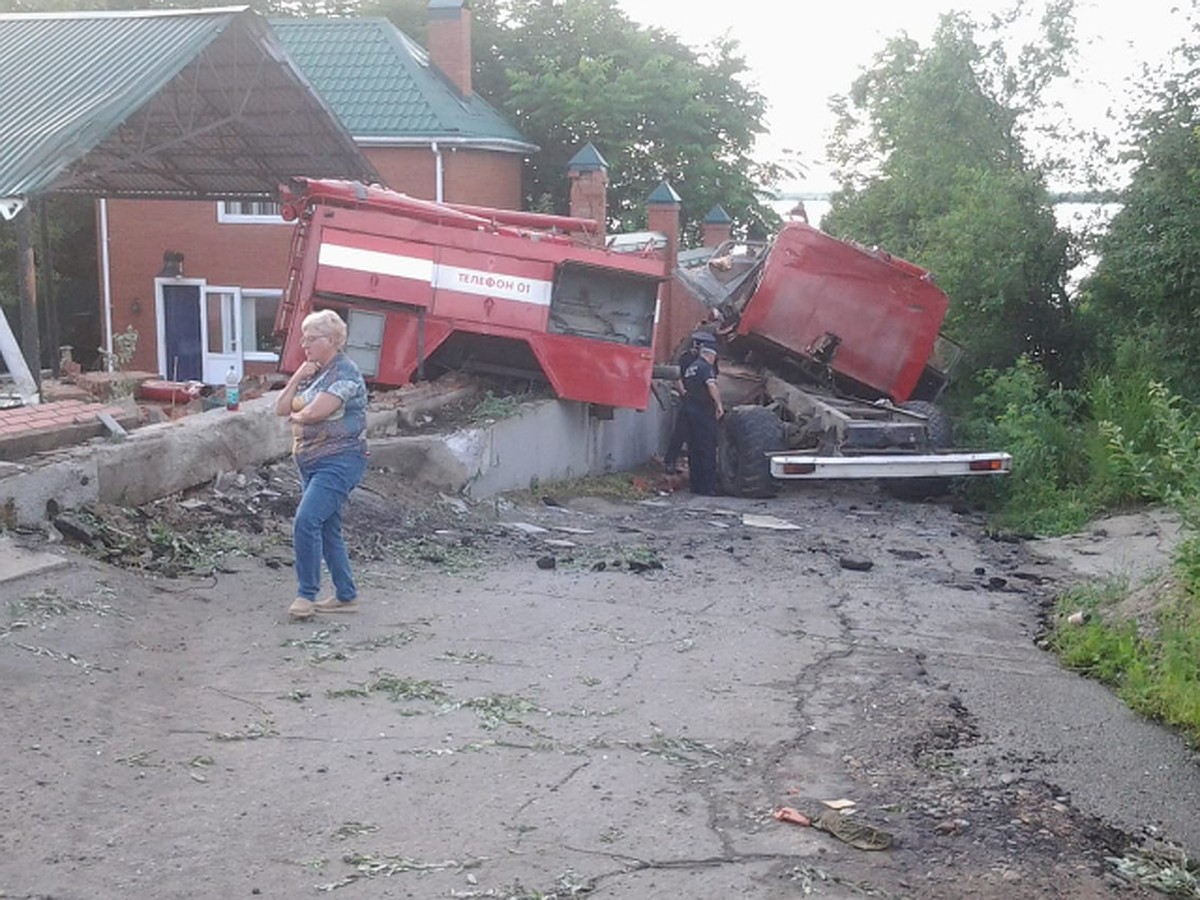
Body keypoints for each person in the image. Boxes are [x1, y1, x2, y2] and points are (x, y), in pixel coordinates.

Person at [274, 309, 369, 620]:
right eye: (304, 337)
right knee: (328, 528)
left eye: (311, 338)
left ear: (332, 341)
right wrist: (298, 376)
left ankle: (306, 595)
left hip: (340, 460)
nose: (304, 343)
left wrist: (298, 417)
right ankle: (346, 595)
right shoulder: (313, 372)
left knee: (306, 520)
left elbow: (317, 411)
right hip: (310, 462)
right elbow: (280, 407)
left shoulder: (346, 373)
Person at [664, 330, 720, 475]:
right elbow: (678, 376)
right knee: (680, 433)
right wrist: (685, 393)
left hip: (702, 401)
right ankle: (670, 461)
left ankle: (698, 471)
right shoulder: (686, 358)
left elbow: (713, 378)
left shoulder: (708, 361)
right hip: (690, 399)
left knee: (697, 438)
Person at [681, 340, 725, 495]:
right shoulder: (705, 367)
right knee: (707, 449)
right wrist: (719, 405)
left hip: (689, 411)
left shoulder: (691, 368)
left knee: (694, 449)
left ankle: (696, 486)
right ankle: (708, 487)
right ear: (710, 355)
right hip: (703, 412)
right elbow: (711, 386)